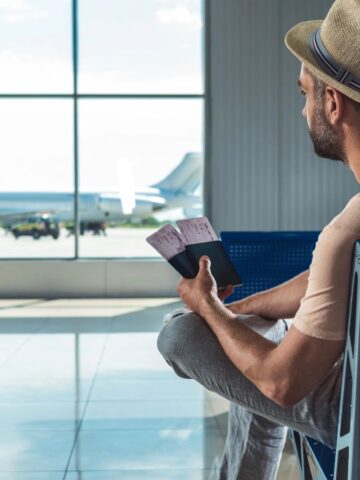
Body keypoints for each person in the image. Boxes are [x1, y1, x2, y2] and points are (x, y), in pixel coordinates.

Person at [157, 0, 360, 478]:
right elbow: (324, 284)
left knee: (179, 331)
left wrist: (207, 310)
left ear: (332, 104)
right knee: (248, 336)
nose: (301, 109)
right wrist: (236, 311)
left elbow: (283, 382)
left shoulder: (344, 232)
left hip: (351, 409)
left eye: (305, 94)